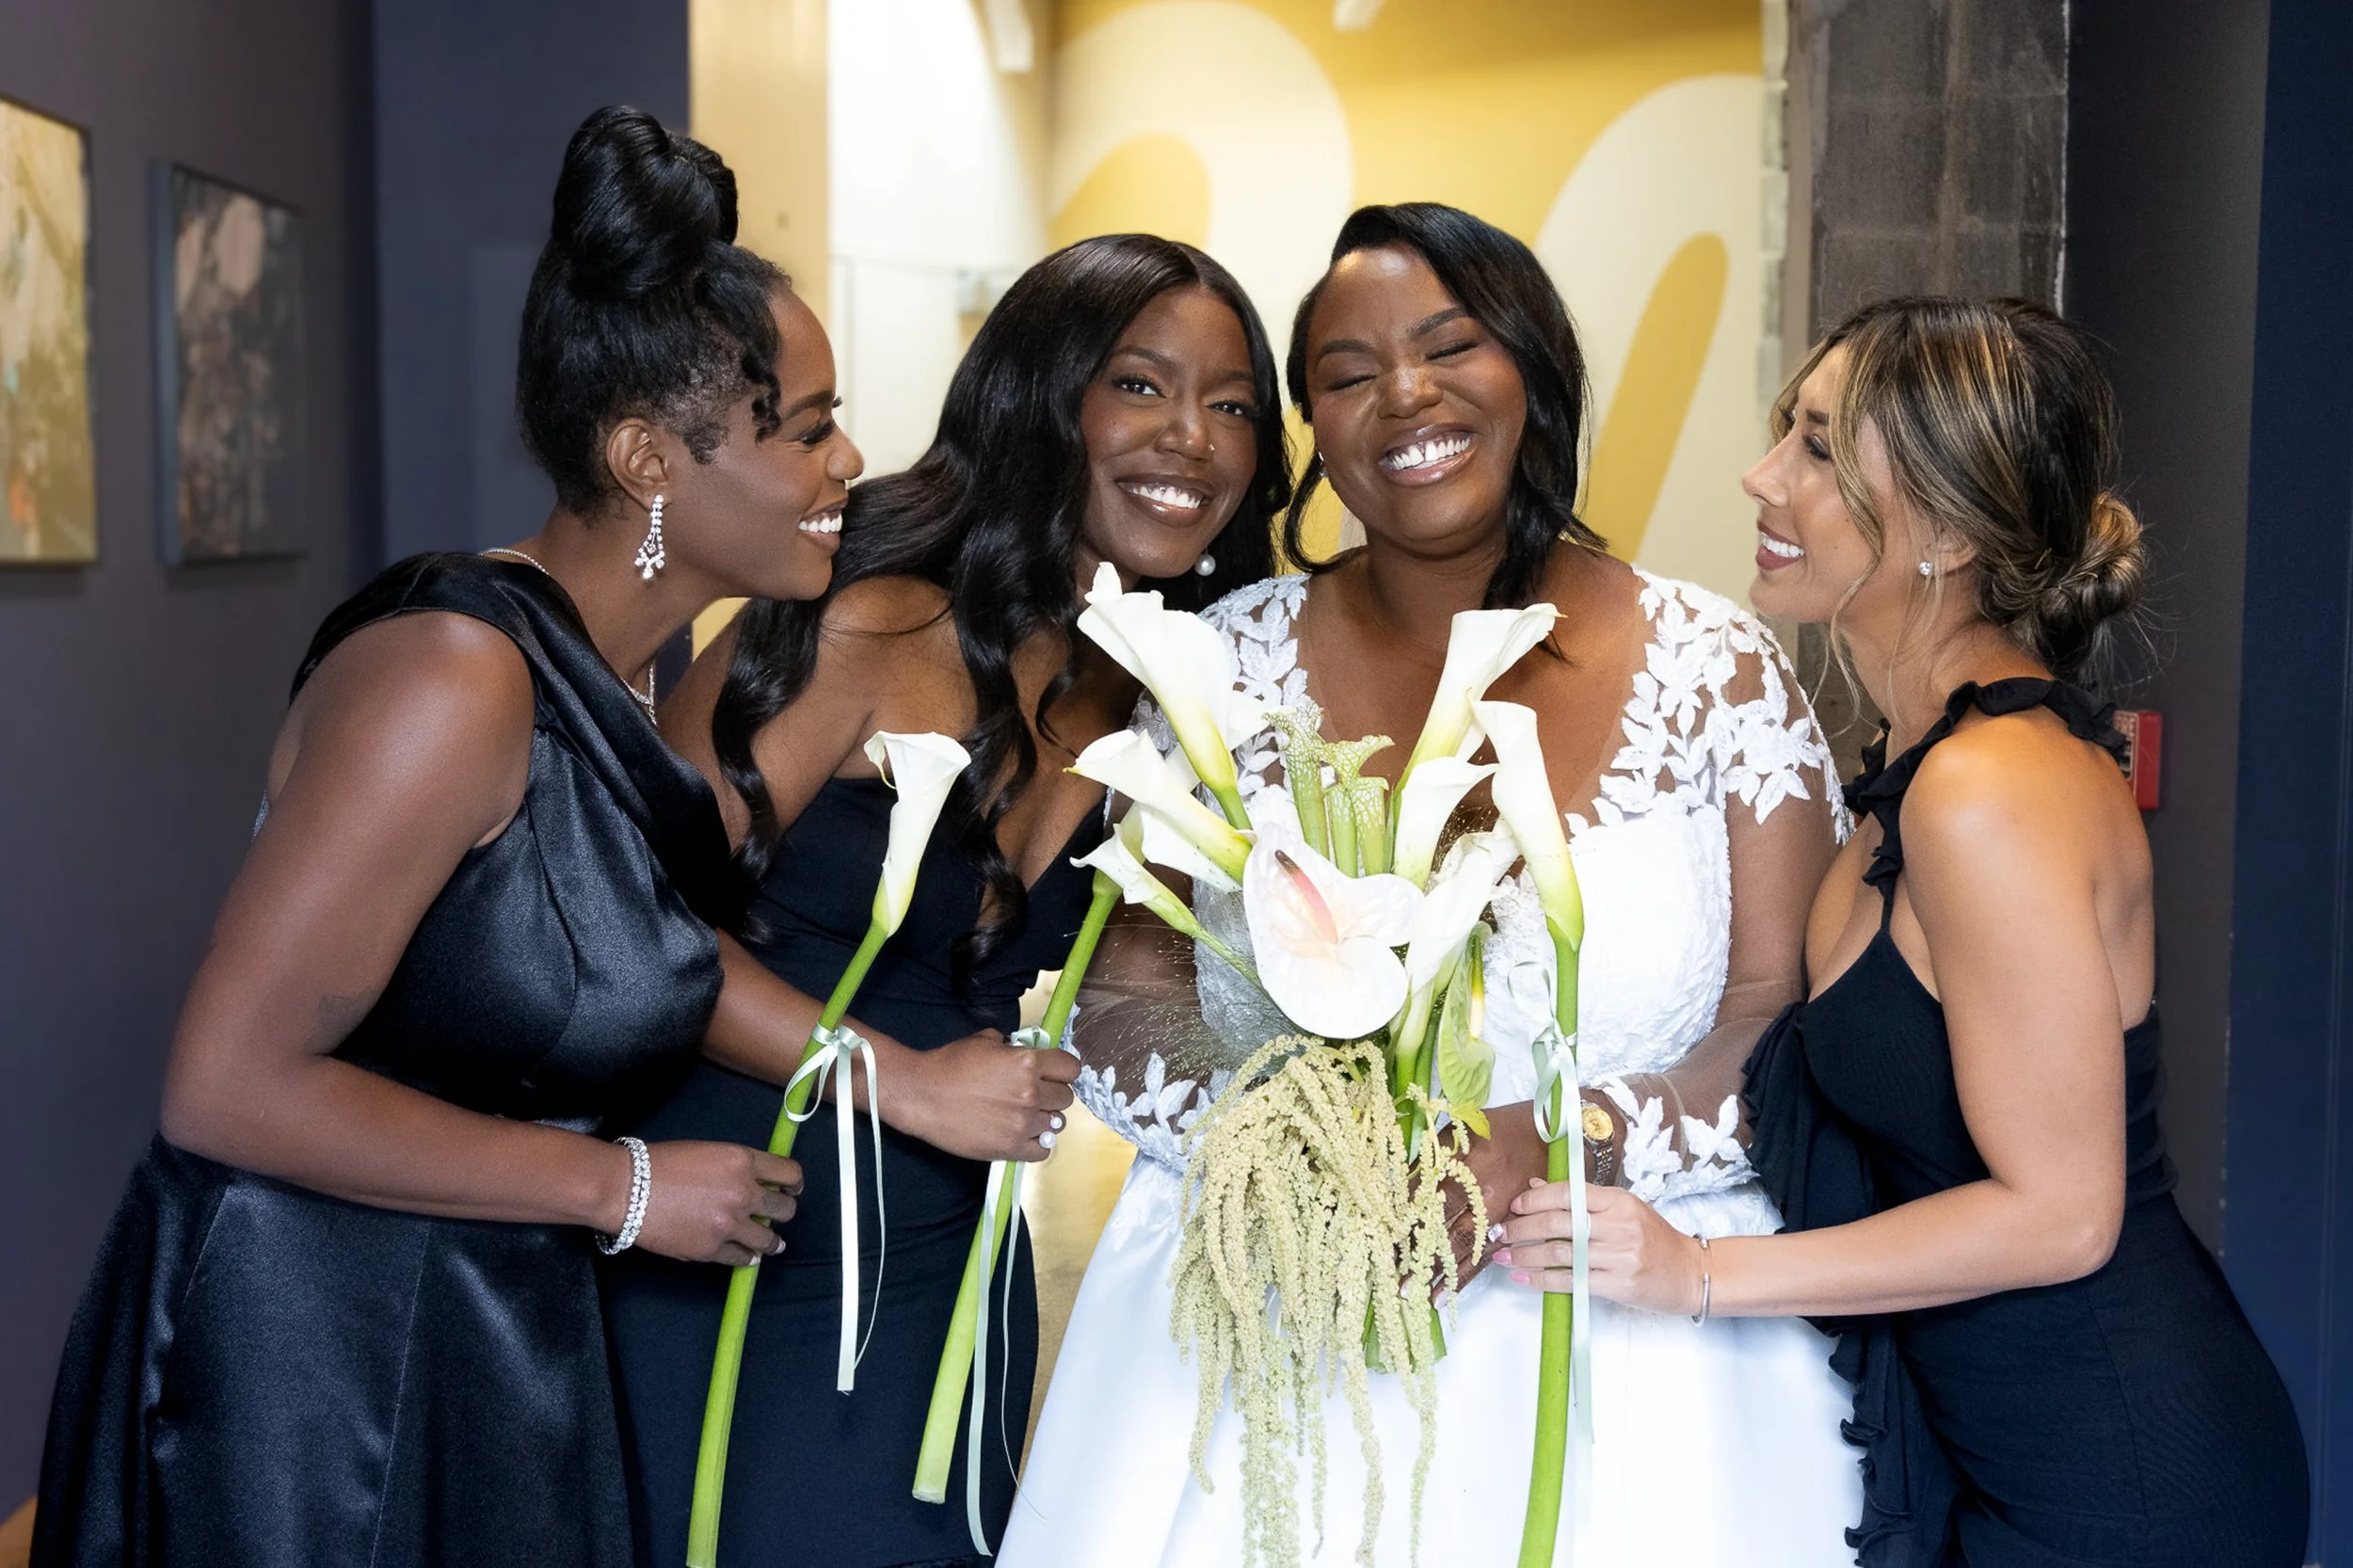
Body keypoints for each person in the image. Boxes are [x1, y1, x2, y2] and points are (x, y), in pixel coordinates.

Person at [32, 104, 877, 1567]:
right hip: (301, 1366)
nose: (845, 459)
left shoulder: (627, 671)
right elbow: (224, 1086)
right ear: (648, 459)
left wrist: (892, 1077)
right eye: (800, 429)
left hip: (473, 1311)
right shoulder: (457, 676)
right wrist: (621, 1188)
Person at [1009, 202, 1865, 1567]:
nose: (1403, 393)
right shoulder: (1218, 664)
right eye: (1346, 374)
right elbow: (1120, 991)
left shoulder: (1719, 666)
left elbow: (1785, 1009)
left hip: (1635, 1356)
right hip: (1274, 1330)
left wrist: (1559, 1137)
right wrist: (1304, 1163)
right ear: (1314, 429)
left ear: (1529, 365)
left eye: (1448, 344)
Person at [1497, 296, 2310, 1565]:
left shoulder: (1987, 791)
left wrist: (1695, 1272)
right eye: (1786, 429)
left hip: (2120, 1479)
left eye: (1819, 445)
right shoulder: (1904, 760)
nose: (1764, 474)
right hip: (1992, 1447)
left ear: (1944, 526)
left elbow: (2063, 1215)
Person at [605, 233, 1290, 1568]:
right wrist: (899, 1083)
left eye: (1232, 405)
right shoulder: (869, 613)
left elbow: (1138, 1002)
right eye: (1142, 386)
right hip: (739, 1221)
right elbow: (631, 917)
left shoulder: (1158, 691)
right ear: (1045, 395)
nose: (1193, 439)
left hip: (951, 1262)